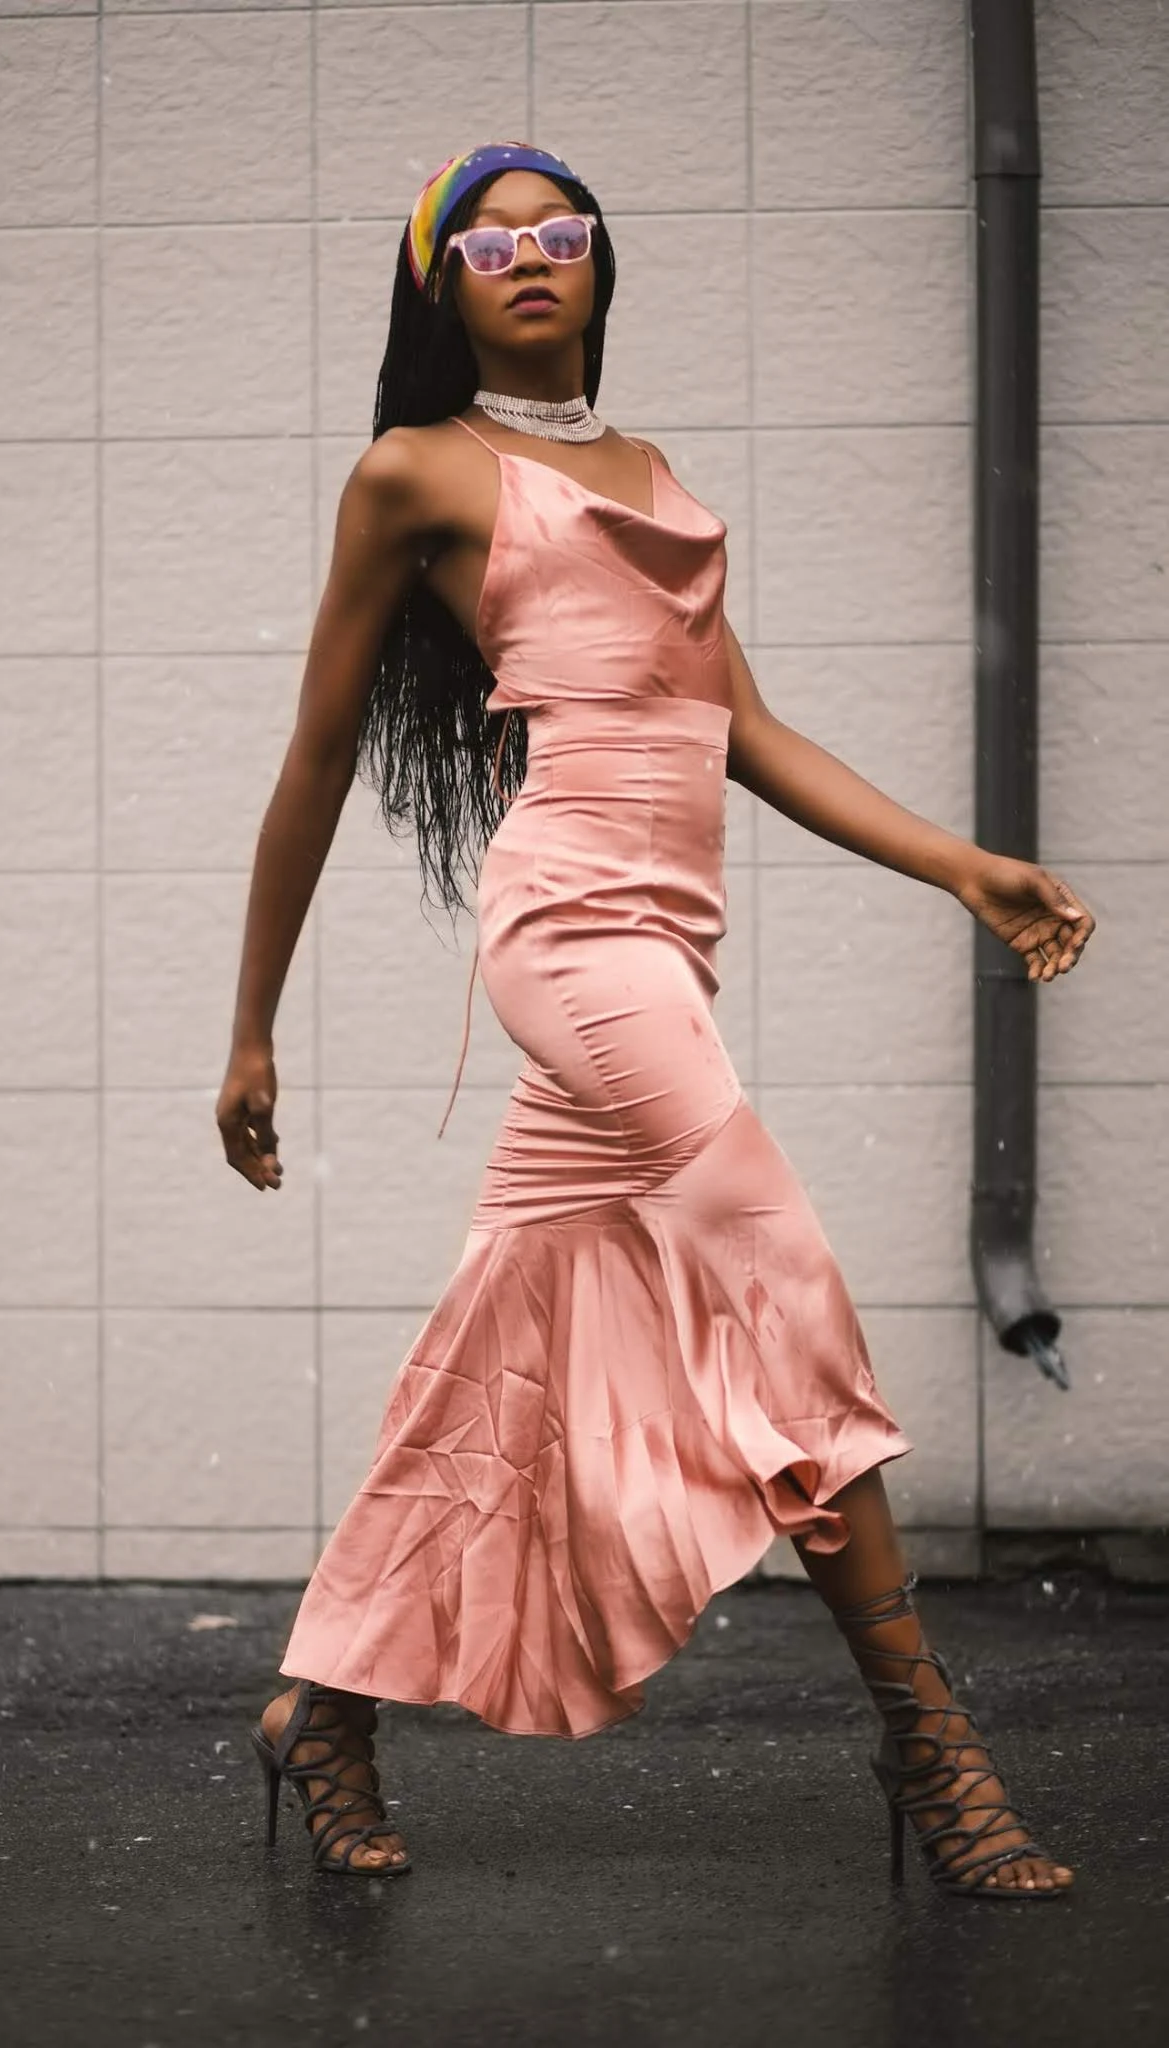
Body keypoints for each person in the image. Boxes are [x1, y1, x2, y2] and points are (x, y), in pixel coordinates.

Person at [216, 142, 1093, 1896]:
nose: (530, 259)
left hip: (669, 948)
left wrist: (957, 863)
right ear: (441, 283)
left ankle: (323, 1704)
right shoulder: (413, 472)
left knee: (504, 1335)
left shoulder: (654, 471)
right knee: (779, 1285)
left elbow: (741, 729)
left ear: (605, 268)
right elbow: (316, 758)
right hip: (569, 936)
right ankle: (930, 1740)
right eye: (489, 241)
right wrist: (253, 1025)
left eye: (564, 235)